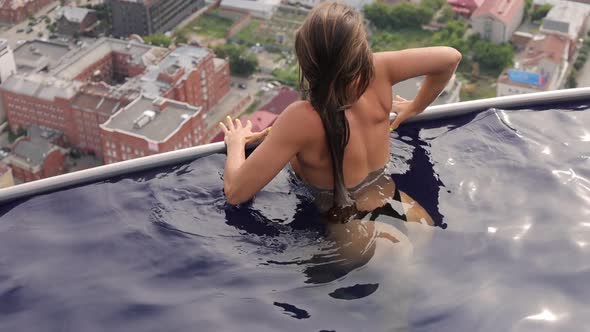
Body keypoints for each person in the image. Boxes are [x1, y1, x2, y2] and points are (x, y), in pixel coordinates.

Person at [219, 1, 461, 225]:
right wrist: (415, 107)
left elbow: (235, 193)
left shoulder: (300, 118)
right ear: (359, 48)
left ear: (307, 61)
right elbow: (450, 58)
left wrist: (237, 143)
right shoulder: (380, 69)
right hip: (402, 205)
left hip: (350, 225)